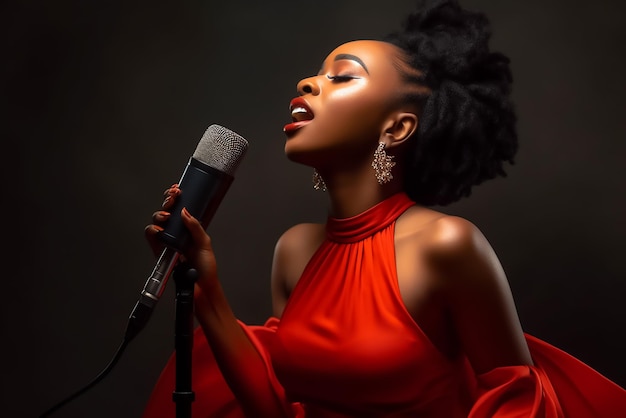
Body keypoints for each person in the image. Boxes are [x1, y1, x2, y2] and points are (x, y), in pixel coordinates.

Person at [142, 0, 626, 416]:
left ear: (396, 129)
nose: (309, 83)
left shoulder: (446, 246)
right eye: (316, 73)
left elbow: (518, 401)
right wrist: (206, 291)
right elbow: (279, 408)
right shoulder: (294, 250)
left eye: (343, 76)